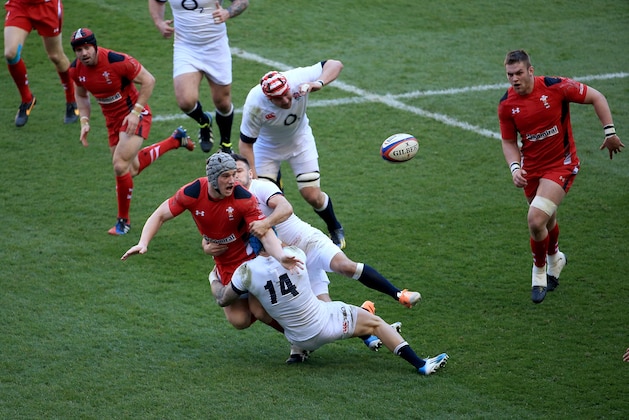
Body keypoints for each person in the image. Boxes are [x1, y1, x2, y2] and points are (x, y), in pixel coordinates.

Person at [121, 152, 302, 332]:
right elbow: (160, 214)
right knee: (240, 320)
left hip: (249, 260)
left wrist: (280, 256)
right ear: (213, 179)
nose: (232, 180)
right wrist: (143, 242)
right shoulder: (193, 192)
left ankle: (299, 339)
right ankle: (216, 278)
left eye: (233, 174)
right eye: (226, 176)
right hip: (225, 264)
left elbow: (265, 233)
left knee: (261, 310)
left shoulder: (242, 197)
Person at [497, 49, 624, 304]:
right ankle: (556, 258)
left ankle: (539, 271)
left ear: (531, 70)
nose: (515, 79)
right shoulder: (507, 104)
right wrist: (515, 167)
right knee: (546, 219)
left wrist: (609, 132)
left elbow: (597, 97)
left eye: (519, 73)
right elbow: (509, 141)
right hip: (532, 170)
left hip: (561, 165)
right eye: (510, 74)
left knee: (535, 220)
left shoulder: (555, 87)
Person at [211, 245, 449, 375]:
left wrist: (214, 277)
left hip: (298, 337)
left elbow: (239, 305)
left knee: (271, 311)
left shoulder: (245, 272)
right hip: (325, 321)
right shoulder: (295, 253)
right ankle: (421, 364)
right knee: (375, 322)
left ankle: (301, 350)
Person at [68, 28, 195, 236]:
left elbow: (149, 80)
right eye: (78, 50)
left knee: (119, 166)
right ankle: (175, 140)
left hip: (135, 115)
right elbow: (81, 96)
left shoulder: (118, 61)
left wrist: (136, 112)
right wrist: (84, 121)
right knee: (131, 169)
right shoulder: (76, 70)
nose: (83, 53)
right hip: (113, 122)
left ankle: (123, 222)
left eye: (87, 48)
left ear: (95, 46)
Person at [238, 60, 347, 249]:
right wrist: (252, 175)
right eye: (279, 100)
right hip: (267, 149)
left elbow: (335, 64)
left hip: (300, 140)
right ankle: (276, 242)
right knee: (265, 201)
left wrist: (318, 83)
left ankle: (334, 226)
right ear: (269, 99)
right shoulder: (255, 104)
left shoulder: (297, 78)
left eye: (287, 95)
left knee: (312, 195)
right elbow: (245, 143)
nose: (286, 101)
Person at [148, 0, 249, 153]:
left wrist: (228, 12)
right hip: (186, 47)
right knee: (185, 101)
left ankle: (226, 145)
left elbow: (242, 2)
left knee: (222, 102)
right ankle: (204, 120)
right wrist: (159, 22)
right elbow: (156, 1)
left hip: (216, 46)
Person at [4, 0, 79, 126]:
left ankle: (71, 100)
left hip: (47, 7)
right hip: (20, 5)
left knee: (55, 56)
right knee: (10, 53)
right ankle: (27, 99)